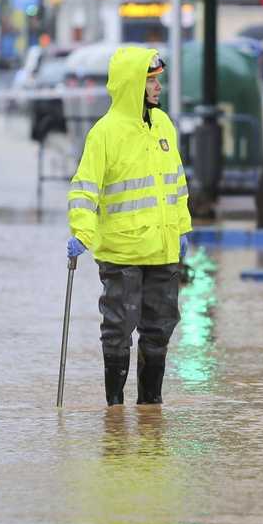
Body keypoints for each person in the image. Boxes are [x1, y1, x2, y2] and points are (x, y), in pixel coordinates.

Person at [67, 48, 191, 406]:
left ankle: (151, 408)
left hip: (164, 248)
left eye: (158, 79)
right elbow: (85, 188)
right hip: (122, 252)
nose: (159, 87)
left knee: (159, 330)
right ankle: (115, 411)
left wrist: (182, 228)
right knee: (119, 329)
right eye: (152, 80)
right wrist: (82, 232)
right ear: (133, 84)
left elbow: (177, 184)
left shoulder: (163, 125)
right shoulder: (104, 133)